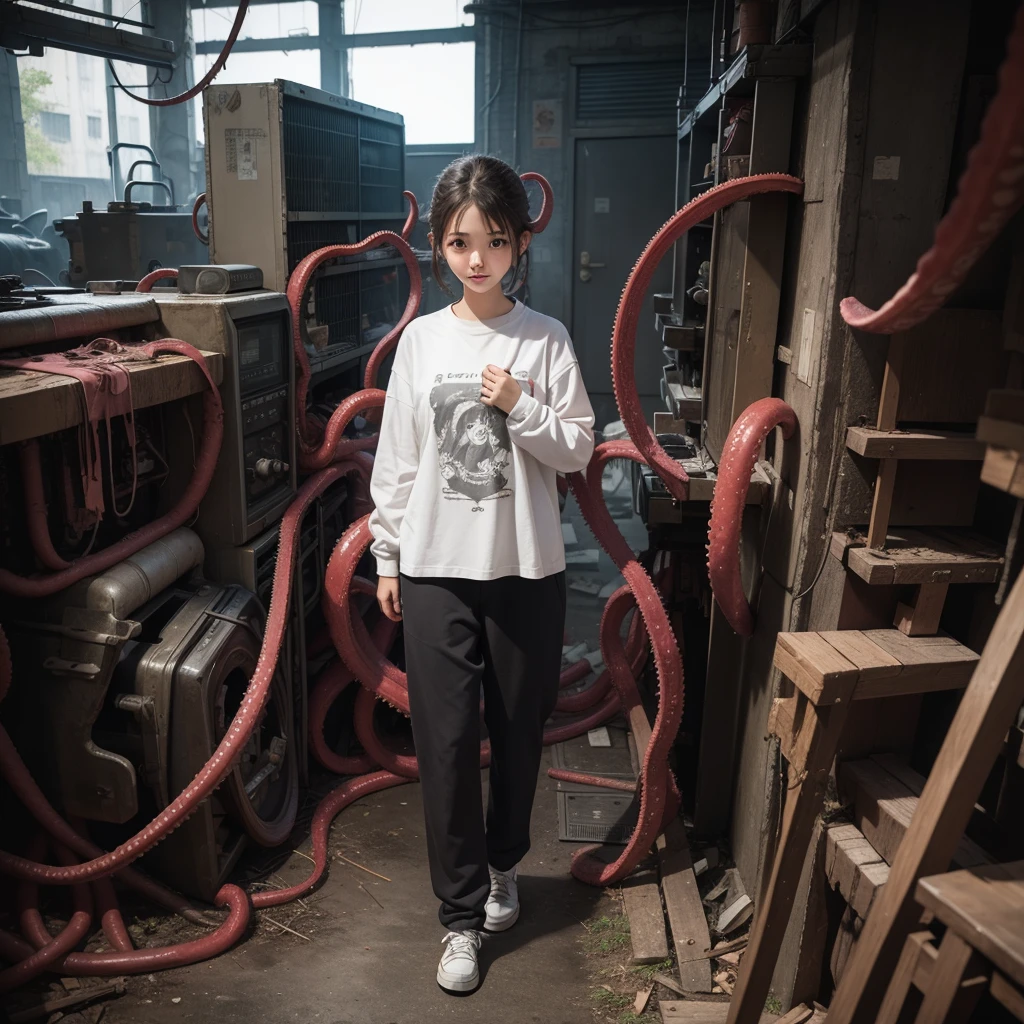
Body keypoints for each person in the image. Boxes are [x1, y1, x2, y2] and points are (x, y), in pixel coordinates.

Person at [368, 154, 596, 994]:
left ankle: (505, 867)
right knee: (449, 745)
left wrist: (521, 405)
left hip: (525, 572)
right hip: (435, 572)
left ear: (519, 244)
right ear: (436, 244)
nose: (477, 260)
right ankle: (460, 920)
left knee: (518, 735)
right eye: (461, 243)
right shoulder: (423, 343)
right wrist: (389, 554)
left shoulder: (546, 340)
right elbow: (397, 462)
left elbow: (577, 447)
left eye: (494, 242)